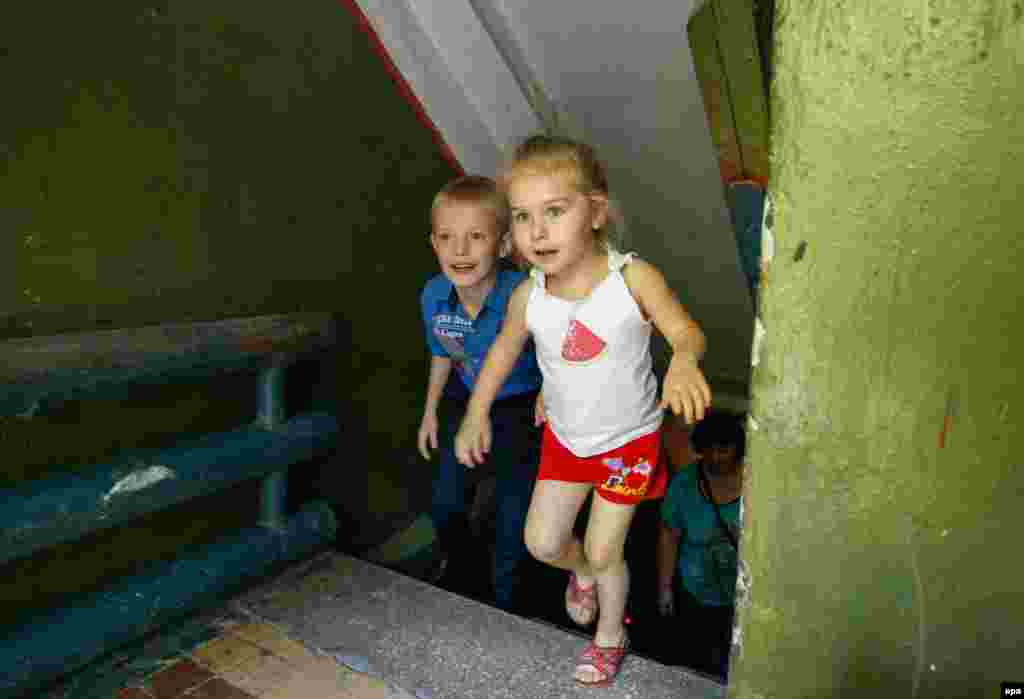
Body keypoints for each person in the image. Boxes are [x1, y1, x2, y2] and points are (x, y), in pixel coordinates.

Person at [454, 135, 711, 687]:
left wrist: (684, 362)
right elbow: (503, 351)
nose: (537, 231)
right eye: (522, 216)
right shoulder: (530, 295)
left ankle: (610, 638)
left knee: (603, 546)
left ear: (594, 212)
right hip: (567, 441)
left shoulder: (631, 280)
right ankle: (584, 577)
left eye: (554, 211)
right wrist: (476, 411)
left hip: (628, 443)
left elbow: (685, 332)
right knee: (544, 543)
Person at [418, 175, 543, 613]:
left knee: (514, 519)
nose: (460, 250)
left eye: (475, 237)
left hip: (522, 408)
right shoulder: (434, 295)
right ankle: (463, 576)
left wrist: (550, 394)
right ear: (433, 243)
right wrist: (430, 411)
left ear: (504, 244)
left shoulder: (523, 294)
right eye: (448, 238)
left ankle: (507, 605)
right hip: (467, 401)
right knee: (446, 504)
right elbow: (442, 352)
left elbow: (556, 348)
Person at [655, 412, 746, 680]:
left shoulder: (756, 483)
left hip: (741, 597)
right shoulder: (684, 484)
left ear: (738, 449)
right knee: (694, 658)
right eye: (711, 450)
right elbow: (669, 535)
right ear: (700, 450)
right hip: (695, 590)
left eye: (725, 449)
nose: (718, 457)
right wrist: (665, 588)